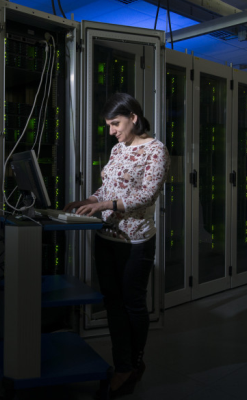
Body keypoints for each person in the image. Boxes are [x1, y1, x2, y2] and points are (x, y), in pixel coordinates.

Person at [63, 93, 169, 398]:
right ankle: (123, 363)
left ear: (133, 118)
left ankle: (133, 365)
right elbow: (107, 187)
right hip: (106, 237)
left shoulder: (156, 151)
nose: (111, 130)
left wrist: (107, 203)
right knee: (112, 304)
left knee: (131, 304)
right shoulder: (117, 149)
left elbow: (147, 194)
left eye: (115, 123)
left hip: (135, 242)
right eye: (109, 125)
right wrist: (90, 200)